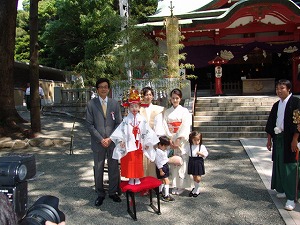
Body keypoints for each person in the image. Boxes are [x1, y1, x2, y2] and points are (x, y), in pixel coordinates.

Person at [110, 87, 159, 185]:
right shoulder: (126, 120)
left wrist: (147, 142)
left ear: (139, 107)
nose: (134, 109)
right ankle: (130, 178)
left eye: (136, 106)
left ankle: (137, 178)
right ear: (128, 107)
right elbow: (120, 131)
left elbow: (147, 131)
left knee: (138, 162)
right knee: (129, 162)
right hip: (128, 144)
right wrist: (121, 141)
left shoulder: (142, 119)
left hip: (138, 145)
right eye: (132, 107)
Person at [86, 78, 123, 207]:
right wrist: (101, 139)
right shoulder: (91, 104)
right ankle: (100, 193)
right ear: (97, 89)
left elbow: (119, 123)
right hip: (98, 142)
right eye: (101, 87)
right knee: (99, 168)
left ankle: (113, 192)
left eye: (106, 86)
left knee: (113, 168)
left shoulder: (114, 104)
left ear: (109, 89)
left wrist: (111, 138)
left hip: (112, 142)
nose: (103, 89)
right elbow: (89, 125)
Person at [265, 79, 300, 211]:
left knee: (290, 167)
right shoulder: (276, 105)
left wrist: (295, 139)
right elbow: (271, 122)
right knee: (279, 163)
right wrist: (269, 139)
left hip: (290, 138)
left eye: (282, 88)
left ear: (289, 89)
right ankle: (283, 189)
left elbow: (299, 122)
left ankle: (291, 198)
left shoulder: (296, 102)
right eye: (277, 89)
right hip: (278, 138)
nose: (279, 91)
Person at [161, 88, 192, 195]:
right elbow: (165, 125)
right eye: (173, 98)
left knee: (182, 162)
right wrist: (170, 139)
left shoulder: (184, 111)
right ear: (170, 99)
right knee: (173, 164)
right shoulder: (167, 112)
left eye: (177, 98)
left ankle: (182, 185)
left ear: (180, 98)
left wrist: (178, 139)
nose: (175, 100)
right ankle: (174, 184)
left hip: (181, 141)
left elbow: (185, 126)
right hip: (171, 139)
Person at [140, 87, 165, 178]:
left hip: (154, 140)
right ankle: (144, 186)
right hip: (141, 140)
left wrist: (154, 140)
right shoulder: (138, 109)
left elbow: (159, 126)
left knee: (154, 162)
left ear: (153, 96)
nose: (148, 97)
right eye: (146, 95)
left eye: (150, 95)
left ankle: (154, 184)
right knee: (142, 163)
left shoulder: (157, 109)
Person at [186, 131, 208, 197]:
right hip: (192, 161)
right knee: (194, 176)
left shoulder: (202, 146)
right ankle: (195, 188)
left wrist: (201, 154)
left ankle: (197, 188)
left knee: (198, 177)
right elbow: (184, 151)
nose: (196, 142)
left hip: (198, 162)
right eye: (194, 140)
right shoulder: (189, 146)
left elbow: (206, 154)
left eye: (198, 140)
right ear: (191, 139)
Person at [154, 135, 175, 202]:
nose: (166, 148)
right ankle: (166, 195)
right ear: (160, 144)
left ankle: (160, 192)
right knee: (167, 181)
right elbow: (158, 162)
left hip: (163, 166)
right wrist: (160, 170)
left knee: (162, 180)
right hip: (162, 167)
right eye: (165, 146)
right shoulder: (158, 152)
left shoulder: (162, 151)